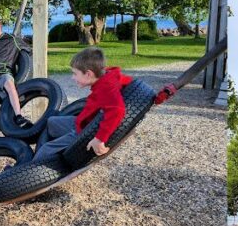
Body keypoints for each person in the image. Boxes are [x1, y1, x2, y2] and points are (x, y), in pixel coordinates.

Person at [29, 47, 163, 163]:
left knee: (46, 149)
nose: (72, 78)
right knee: (52, 122)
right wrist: (158, 98)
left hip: (83, 133)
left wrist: (99, 139)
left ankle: (27, 175)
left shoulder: (106, 88)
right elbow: (131, 85)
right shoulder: (110, 76)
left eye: (75, 73)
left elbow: (118, 110)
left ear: (88, 74)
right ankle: (37, 147)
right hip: (82, 122)